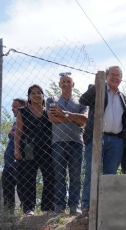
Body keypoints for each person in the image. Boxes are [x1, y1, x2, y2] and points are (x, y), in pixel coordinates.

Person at [79, 66, 126, 214]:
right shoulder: (98, 89)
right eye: (113, 74)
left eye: (118, 75)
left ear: (121, 78)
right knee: (92, 172)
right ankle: (87, 206)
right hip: (98, 137)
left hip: (117, 141)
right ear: (106, 76)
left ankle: (105, 207)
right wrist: (97, 86)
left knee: (110, 176)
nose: (115, 77)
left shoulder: (124, 97)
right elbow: (83, 100)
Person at [47, 73, 87, 214]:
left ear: (73, 84)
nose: (66, 84)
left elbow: (84, 120)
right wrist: (73, 118)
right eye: (63, 81)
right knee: (59, 176)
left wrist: (63, 114)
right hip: (58, 142)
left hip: (76, 141)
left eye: (68, 81)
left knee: (76, 177)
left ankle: (74, 206)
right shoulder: (52, 100)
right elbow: (52, 118)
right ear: (59, 84)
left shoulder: (80, 101)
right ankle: (59, 207)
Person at [14, 85, 55, 216]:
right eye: (33, 93)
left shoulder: (48, 111)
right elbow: (18, 133)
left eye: (39, 93)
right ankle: (28, 209)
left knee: (50, 177)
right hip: (28, 149)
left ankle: (47, 208)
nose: (37, 95)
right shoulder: (23, 112)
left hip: (47, 149)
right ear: (29, 97)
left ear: (43, 96)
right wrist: (16, 150)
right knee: (28, 178)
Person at [2, 98, 26, 213]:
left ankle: (25, 211)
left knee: (22, 188)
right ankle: (8, 213)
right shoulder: (15, 123)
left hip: (19, 161)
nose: (12, 109)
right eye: (12, 107)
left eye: (16, 107)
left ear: (24, 107)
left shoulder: (26, 121)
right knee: (7, 187)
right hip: (8, 163)